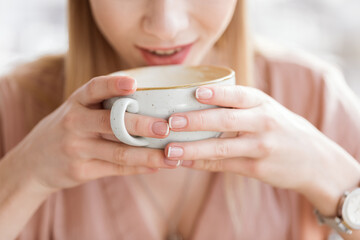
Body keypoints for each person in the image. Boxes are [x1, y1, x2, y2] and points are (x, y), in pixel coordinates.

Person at [0, 0, 359, 239]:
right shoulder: (13, 108)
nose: (165, 26)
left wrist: (331, 176)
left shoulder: (313, 95)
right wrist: (23, 173)